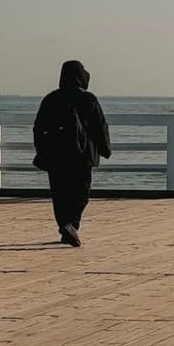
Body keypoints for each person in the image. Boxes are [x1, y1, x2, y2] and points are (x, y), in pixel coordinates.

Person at [32, 60, 111, 247]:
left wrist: (42, 150)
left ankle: (65, 226)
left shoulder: (51, 99)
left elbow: (39, 127)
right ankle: (71, 224)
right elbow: (100, 126)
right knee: (81, 193)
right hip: (82, 156)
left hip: (56, 155)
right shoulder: (88, 99)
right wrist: (105, 148)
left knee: (60, 194)